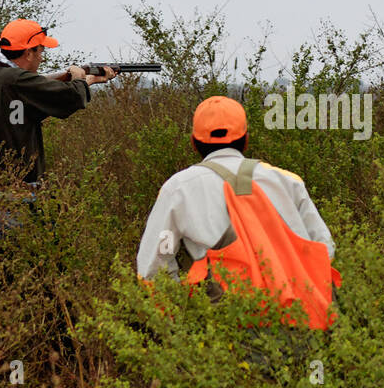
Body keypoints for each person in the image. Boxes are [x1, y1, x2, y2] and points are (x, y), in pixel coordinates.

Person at [136, 95, 339, 329]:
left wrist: (179, 327)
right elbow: (324, 249)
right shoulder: (288, 181)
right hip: (301, 317)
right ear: (245, 140)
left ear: (193, 143)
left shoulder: (178, 189)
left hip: (227, 324)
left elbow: (154, 264)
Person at [0, 18, 116, 246]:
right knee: (38, 265)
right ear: (28, 53)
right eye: (40, 51)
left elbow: (32, 108)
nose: (42, 57)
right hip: (12, 201)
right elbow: (70, 98)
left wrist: (89, 80)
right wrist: (77, 77)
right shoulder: (15, 80)